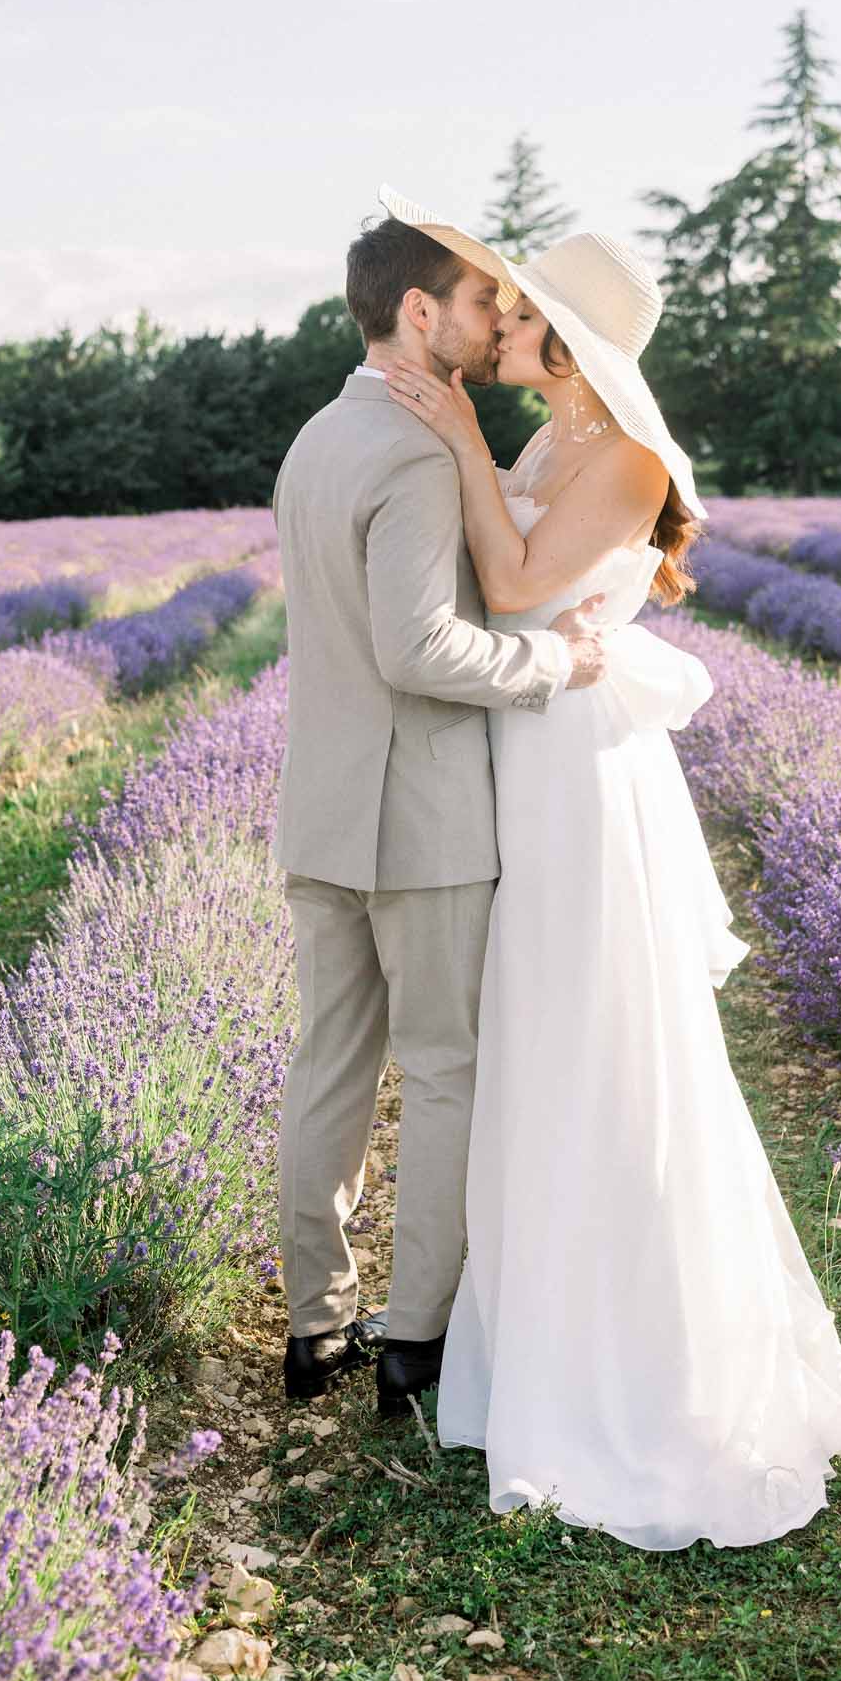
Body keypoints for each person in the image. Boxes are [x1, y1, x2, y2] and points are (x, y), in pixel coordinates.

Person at [384, 219, 841, 1550]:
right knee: (542, 1034)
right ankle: (544, 1342)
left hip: (583, 765)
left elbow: (511, 577)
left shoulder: (623, 457)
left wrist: (447, 429)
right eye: (496, 311)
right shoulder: (552, 439)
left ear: (563, 343)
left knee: (599, 1034)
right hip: (536, 738)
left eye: (515, 317)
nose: (496, 327)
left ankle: (640, 1375)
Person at [270, 189, 608, 1418]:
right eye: (477, 299)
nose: (494, 316)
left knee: (331, 1070)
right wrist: (551, 667)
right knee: (446, 1071)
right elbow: (417, 649)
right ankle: (415, 1342)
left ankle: (315, 1330)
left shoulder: (315, 436)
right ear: (418, 310)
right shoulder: (416, 450)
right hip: (419, 817)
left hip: (320, 807)